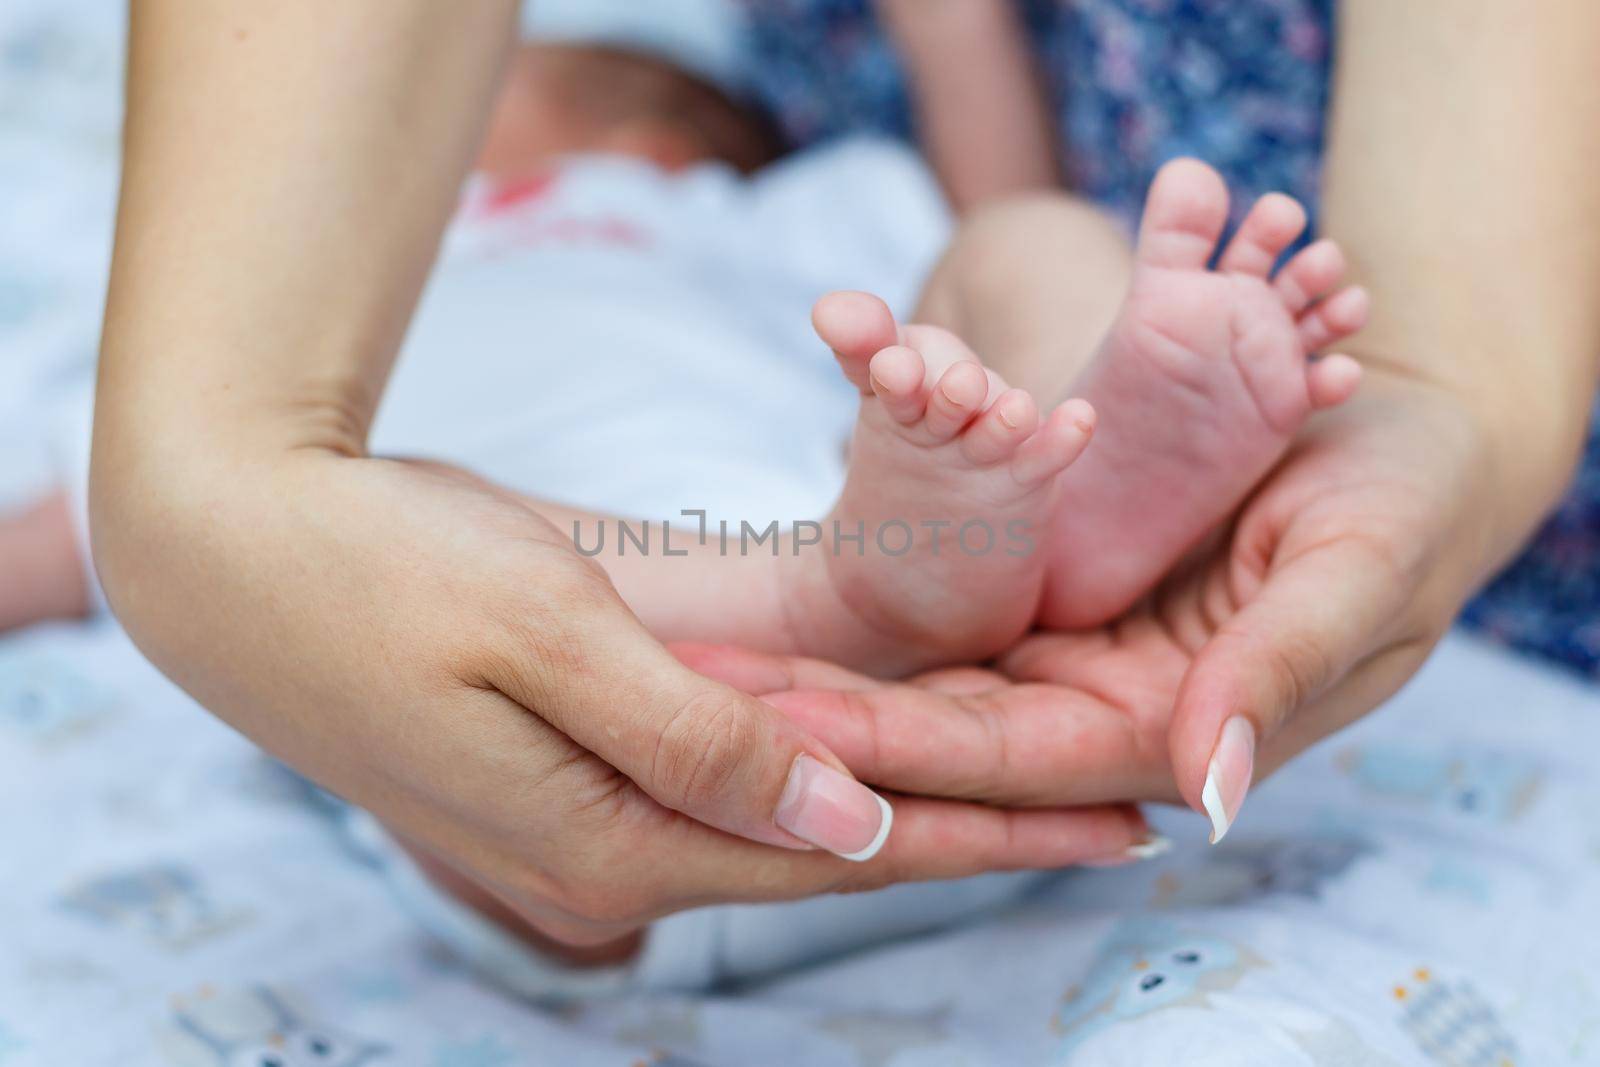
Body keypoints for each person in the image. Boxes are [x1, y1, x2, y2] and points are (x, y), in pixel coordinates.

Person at [86, 0, 1600, 977]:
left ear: (654, 140)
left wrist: (958, 70)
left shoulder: (746, 211)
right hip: (531, 683)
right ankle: (914, 567)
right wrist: (189, 512)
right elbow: (132, 508)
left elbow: (975, 197)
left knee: (1023, 253)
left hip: (863, 566)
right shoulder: (251, 306)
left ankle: (1076, 482)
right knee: (406, 528)